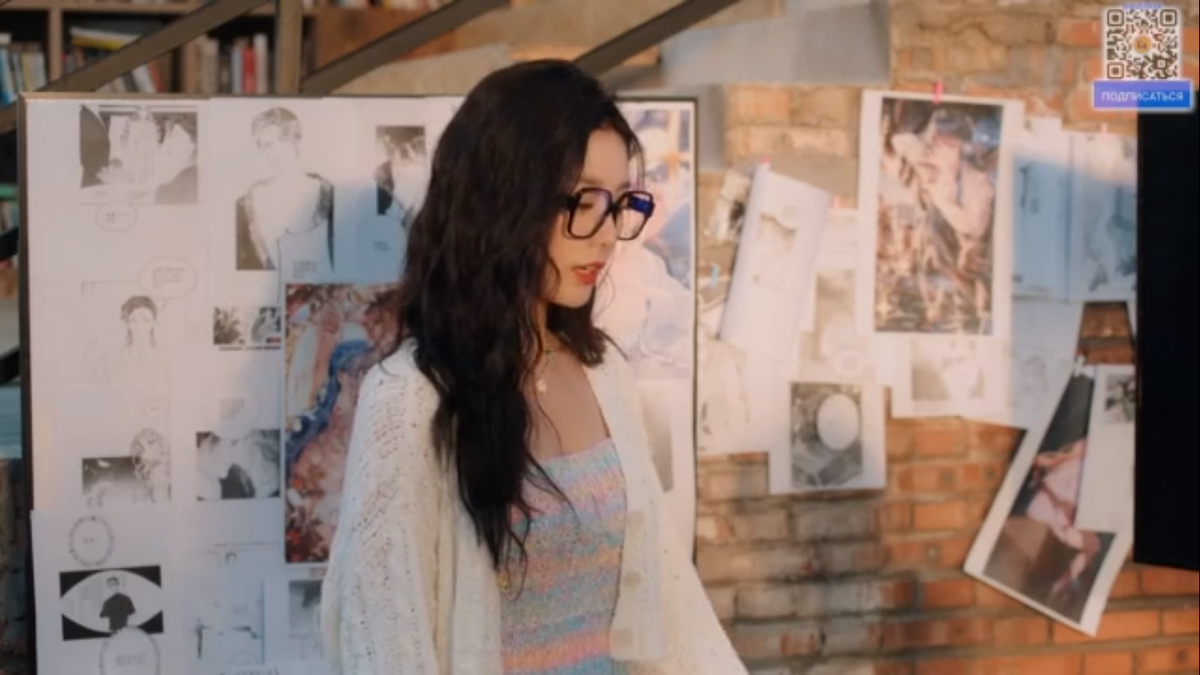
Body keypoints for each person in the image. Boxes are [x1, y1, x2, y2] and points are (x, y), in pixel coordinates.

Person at [320, 60, 744, 674]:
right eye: (585, 201)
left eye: (619, 204)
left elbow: (672, 607)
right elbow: (385, 643)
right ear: (503, 200)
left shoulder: (605, 374)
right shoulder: (410, 399)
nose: (606, 235)